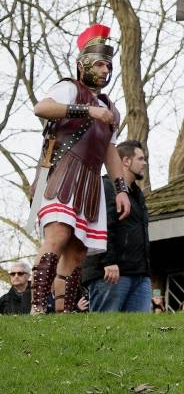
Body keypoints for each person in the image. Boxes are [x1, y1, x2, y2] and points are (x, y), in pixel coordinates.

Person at [29, 24, 134, 314]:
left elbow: (110, 150)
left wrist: (120, 189)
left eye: (108, 65)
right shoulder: (68, 88)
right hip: (63, 172)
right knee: (58, 236)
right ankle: (38, 307)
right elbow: (42, 107)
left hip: (91, 181)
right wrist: (86, 110)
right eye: (99, 64)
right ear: (84, 65)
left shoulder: (110, 107)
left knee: (77, 250)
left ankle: (64, 311)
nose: (104, 70)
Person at [81, 140, 152, 312]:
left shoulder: (137, 195)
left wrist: (146, 272)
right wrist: (109, 261)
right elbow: (103, 225)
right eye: (141, 159)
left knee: (139, 335)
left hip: (139, 275)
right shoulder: (105, 186)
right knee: (106, 331)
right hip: (110, 273)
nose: (144, 163)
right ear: (126, 161)